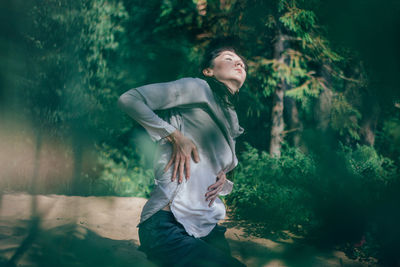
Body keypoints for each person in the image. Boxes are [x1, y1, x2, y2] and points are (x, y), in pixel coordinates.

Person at [118, 41, 247, 267]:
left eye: (242, 63)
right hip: (166, 225)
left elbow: (209, 162)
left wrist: (223, 176)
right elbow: (129, 99)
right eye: (228, 58)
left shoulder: (231, 117)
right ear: (209, 71)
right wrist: (173, 135)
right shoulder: (199, 88)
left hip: (207, 229)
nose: (238, 63)